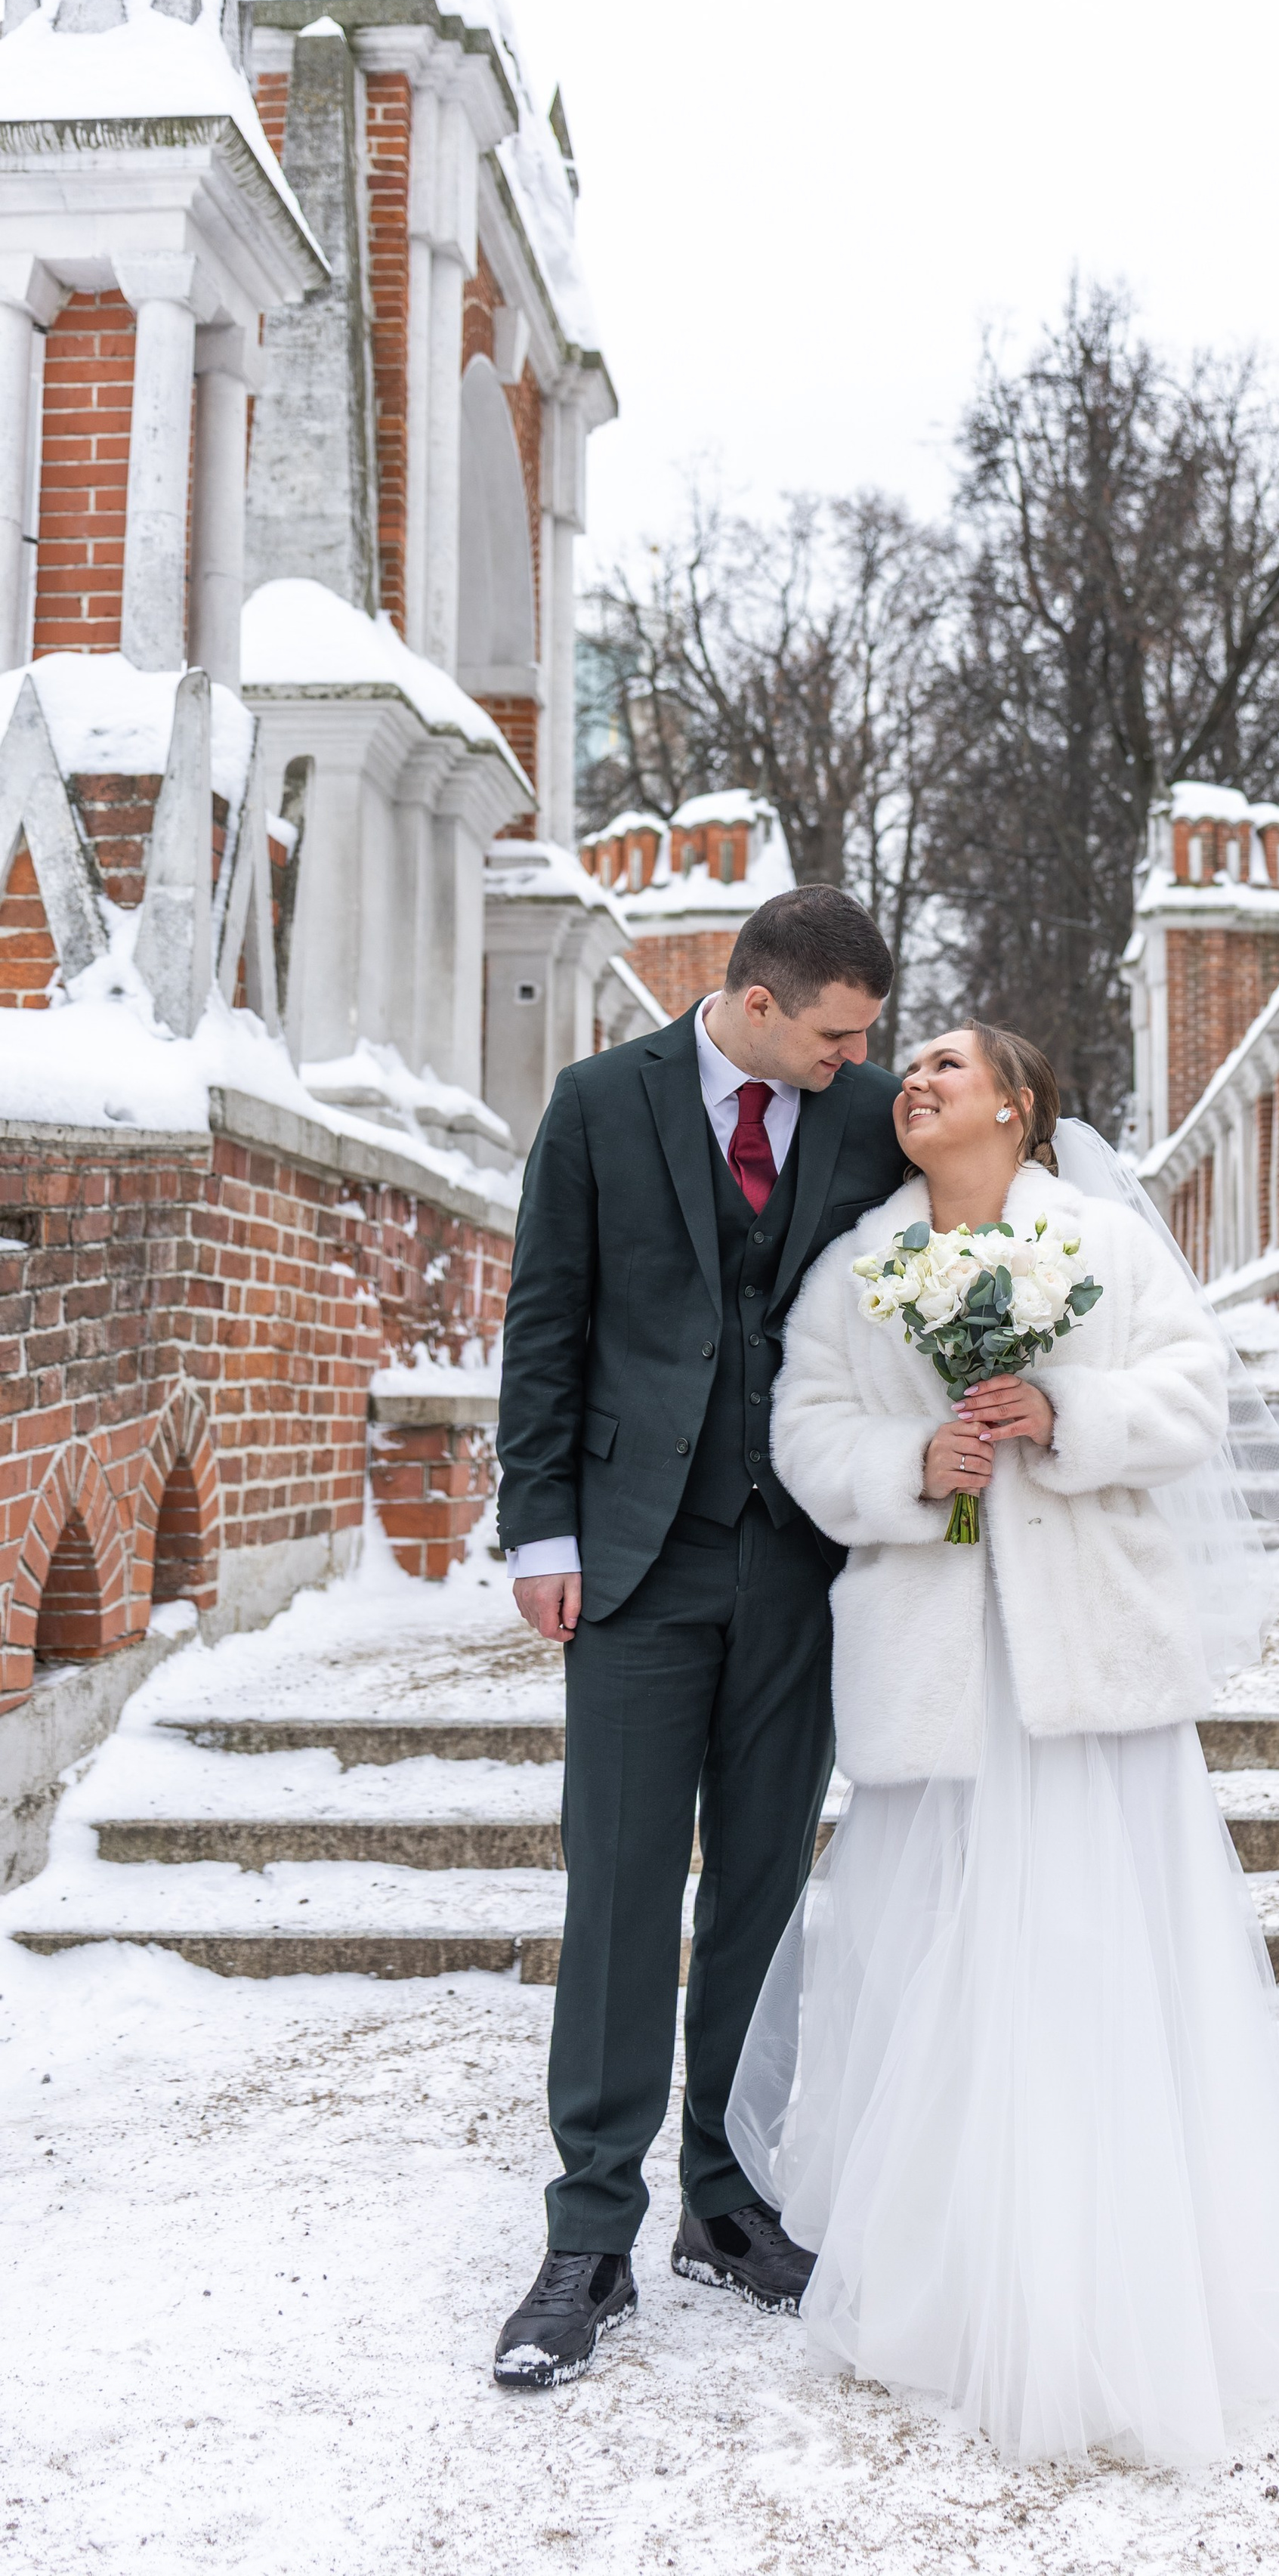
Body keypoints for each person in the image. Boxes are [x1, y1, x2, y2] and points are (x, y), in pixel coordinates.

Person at [727, 1022, 1279, 2466]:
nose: (920, 1082)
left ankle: (1123, 2260)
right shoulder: (855, 1265)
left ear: (1019, 1105)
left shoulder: (1104, 1245)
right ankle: (950, 2269)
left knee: (1098, 1945)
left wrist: (1063, 1409)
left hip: (1091, 1662)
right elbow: (806, 1425)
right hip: (934, 1672)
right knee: (932, 1950)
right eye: (915, 1067)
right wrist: (916, 1465)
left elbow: (1192, 1395)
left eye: (952, 1065)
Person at [491, 886, 907, 2388]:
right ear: (755, 998)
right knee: (617, 1889)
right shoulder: (602, 1103)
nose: (859, 1060)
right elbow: (547, 1318)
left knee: (757, 1891)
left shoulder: (861, 1120)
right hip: (633, 1566)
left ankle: (725, 2203)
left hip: (797, 1564)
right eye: (838, 1033)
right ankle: (589, 2233)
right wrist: (538, 1526)